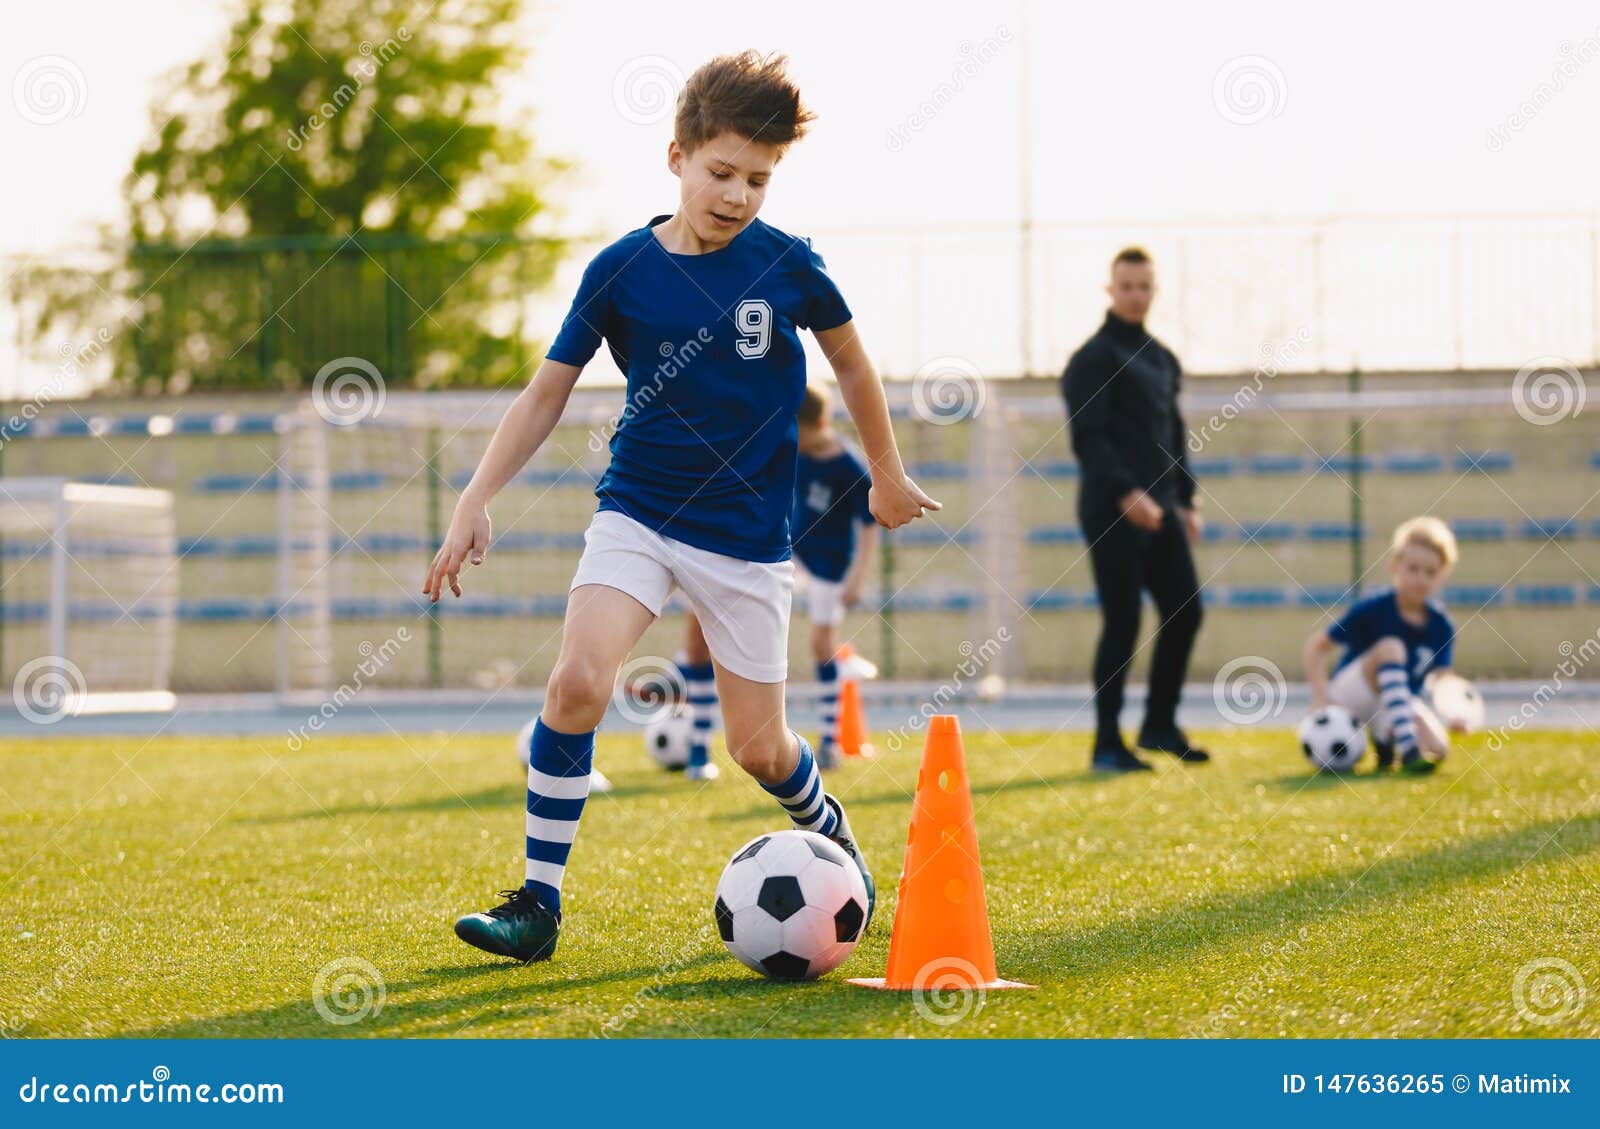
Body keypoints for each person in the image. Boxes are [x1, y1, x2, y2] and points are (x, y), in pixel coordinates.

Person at [423, 51, 939, 963]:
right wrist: (475, 494)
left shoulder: (789, 266)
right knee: (579, 682)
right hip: (639, 513)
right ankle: (537, 907)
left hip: (746, 539)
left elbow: (853, 363)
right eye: (723, 172)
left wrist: (886, 474)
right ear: (677, 157)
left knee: (760, 747)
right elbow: (545, 393)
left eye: (759, 179)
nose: (738, 195)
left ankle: (838, 842)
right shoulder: (621, 270)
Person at [1063, 246, 1207, 773]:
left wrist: (1186, 498)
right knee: (1122, 621)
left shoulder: (1163, 358)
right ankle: (1106, 742)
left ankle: (1159, 725)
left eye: (1144, 286)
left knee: (1186, 611)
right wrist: (1127, 494)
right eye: (1126, 286)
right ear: (1110, 289)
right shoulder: (1091, 359)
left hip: (1164, 508)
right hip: (1111, 510)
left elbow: (1176, 435)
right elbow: (1089, 437)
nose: (1135, 295)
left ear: (1154, 289)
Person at [1302, 517, 1461, 773]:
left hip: (1396, 702)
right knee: (1391, 648)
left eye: (1430, 572)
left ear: (1441, 576)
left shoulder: (1442, 625)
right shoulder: (1373, 608)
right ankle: (1407, 747)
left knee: (1437, 749)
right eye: (1413, 568)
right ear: (1395, 567)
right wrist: (1321, 696)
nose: (1421, 578)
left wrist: (1456, 713)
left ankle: (1385, 740)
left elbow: (1443, 678)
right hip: (1354, 692)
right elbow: (1316, 648)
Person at [790, 382, 879, 767]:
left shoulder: (849, 465)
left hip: (830, 562)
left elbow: (869, 523)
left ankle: (830, 741)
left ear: (820, 423)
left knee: (820, 641)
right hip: (792, 552)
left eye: (800, 432)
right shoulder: (793, 455)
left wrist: (858, 576)